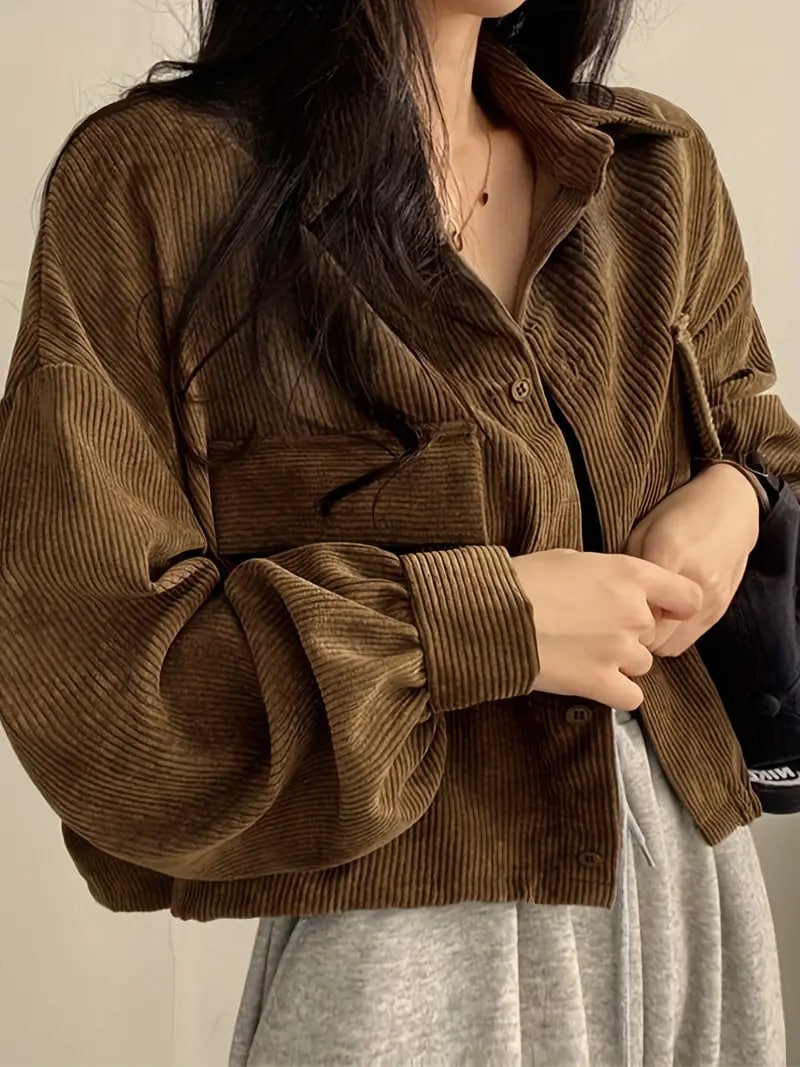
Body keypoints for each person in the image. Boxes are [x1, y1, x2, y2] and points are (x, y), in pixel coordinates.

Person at [0, 0, 796, 1063]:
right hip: (403, 958)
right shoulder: (159, 186)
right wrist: (482, 623)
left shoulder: (652, 170)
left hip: (691, 907)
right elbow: (96, 683)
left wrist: (742, 496)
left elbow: (761, 438)